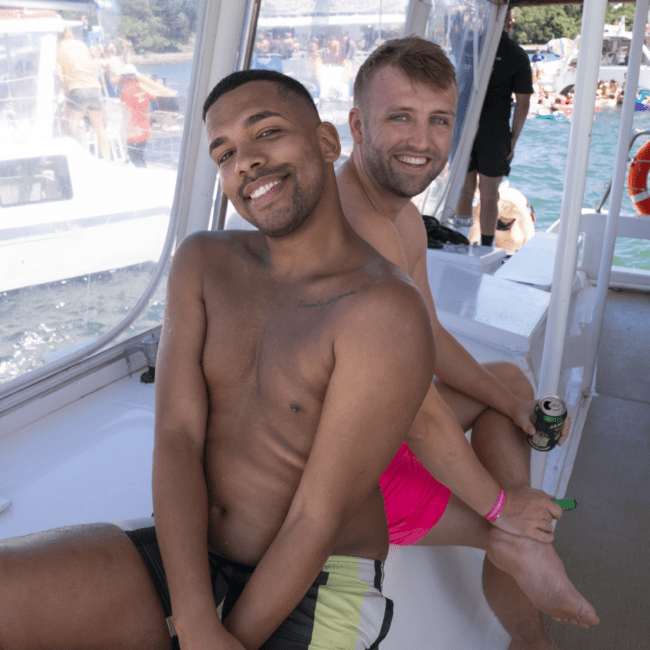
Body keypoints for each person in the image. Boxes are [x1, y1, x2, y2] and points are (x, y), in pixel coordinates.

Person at [0, 69, 436, 650]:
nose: (246, 161)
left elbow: (316, 515)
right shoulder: (202, 262)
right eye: (225, 153)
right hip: (195, 559)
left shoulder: (384, 310)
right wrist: (197, 620)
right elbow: (177, 436)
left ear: (328, 142)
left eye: (267, 132)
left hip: (321, 583)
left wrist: (213, 639)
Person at [337, 36, 599, 648]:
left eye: (438, 121)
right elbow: (417, 414)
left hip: (375, 427)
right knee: (514, 524)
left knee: (506, 382)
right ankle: (523, 566)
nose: (421, 140)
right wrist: (501, 508)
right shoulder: (349, 231)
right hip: (350, 476)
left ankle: (523, 557)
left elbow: (427, 332)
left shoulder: (397, 214)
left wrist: (510, 406)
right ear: (356, 124)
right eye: (399, 116)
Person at [455, 9, 533, 248]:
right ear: (509, 21)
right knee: (490, 195)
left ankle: (460, 243)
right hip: (494, 129)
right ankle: (486, 246)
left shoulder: (468, 47)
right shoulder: (517, 55)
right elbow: (523, 102)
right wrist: (514, 139)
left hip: (464, 127)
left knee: (464, 191)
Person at [56, 28, 112, 161]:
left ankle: (80, 160)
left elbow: (59, 76)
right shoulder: (81, 45)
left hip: (77, 89)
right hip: (94, 87)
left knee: (69, 126)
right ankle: (108, 161)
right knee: (99, 129)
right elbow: (92, 66)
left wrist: (65, 93)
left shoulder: (58, 48)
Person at [119, 64, 152, 167]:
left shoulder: (125, 92)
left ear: (124, 76)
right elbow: (147, 107)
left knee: (133, 156)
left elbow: (126, 112)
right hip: (145, 128)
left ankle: (144, 177)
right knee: (140, 156)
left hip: (135, 131)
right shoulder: (140, 89)